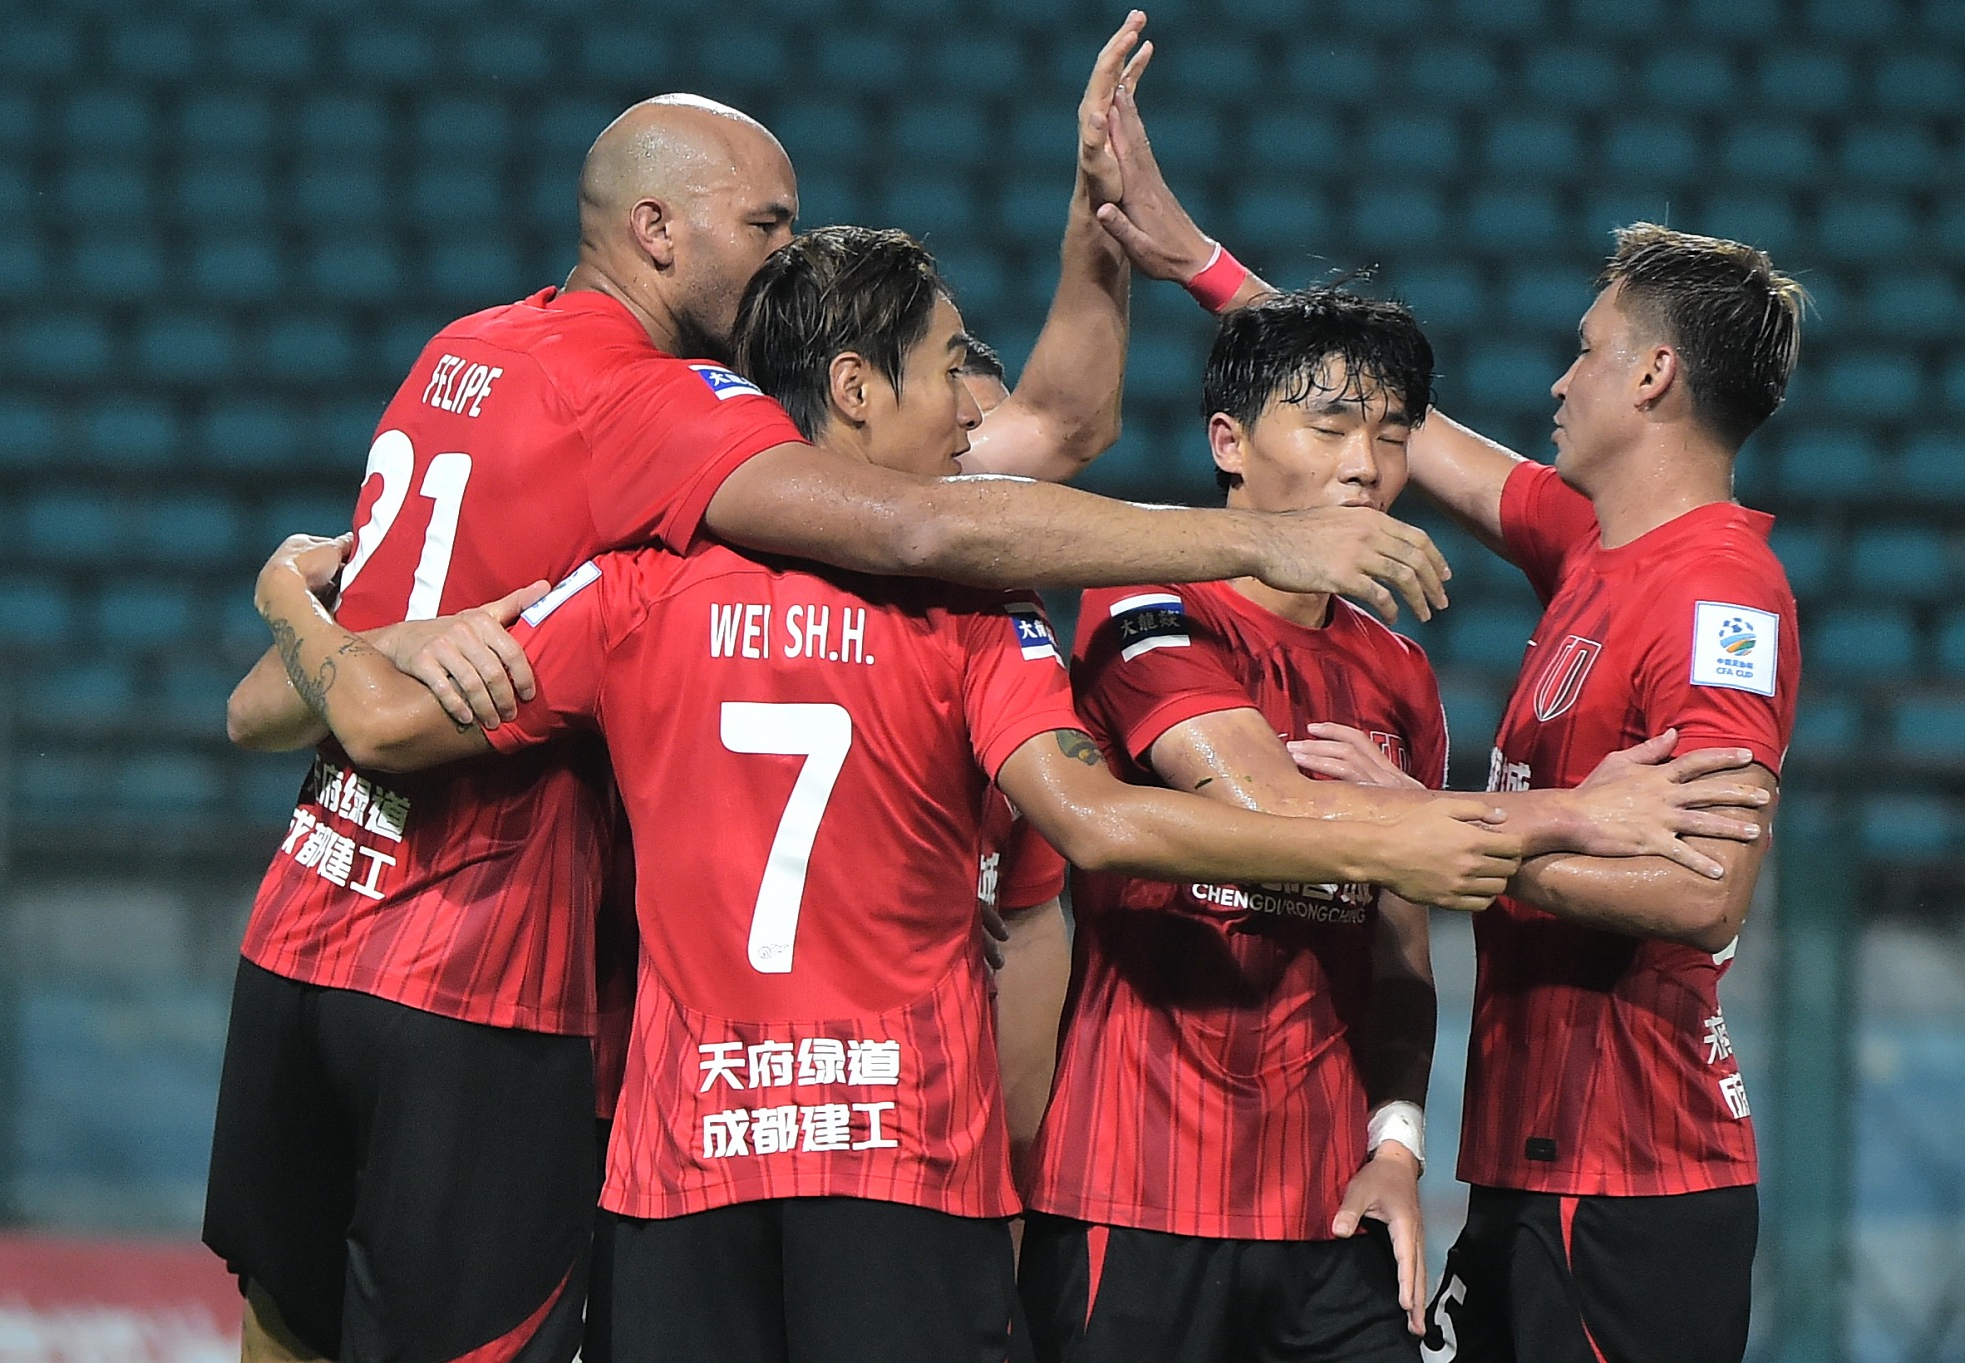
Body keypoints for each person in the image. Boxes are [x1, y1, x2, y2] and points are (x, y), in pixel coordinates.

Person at [245, 225, 1526, 1363]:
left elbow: (367, 719)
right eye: (955, 366)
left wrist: (289, 598)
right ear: (856, 389)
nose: (976, 408)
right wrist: (1393, 842)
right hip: (903, 1161)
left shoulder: (634, 586)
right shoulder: (975, 618)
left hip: (684, 1167)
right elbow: (1098, 822)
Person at [207, 21, 1263, 1362]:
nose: (786, 251)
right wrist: (1250, 540)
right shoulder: (665, 409)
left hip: (300, 925)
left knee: (284, 1320)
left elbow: (283, 702)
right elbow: (936, 523)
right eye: (768, 221)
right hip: (479, 978)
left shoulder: (460, 352)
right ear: (656, 229)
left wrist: (283, 599)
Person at [1015, 287, 1776, 1363]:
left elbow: (1399, 944)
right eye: (1327, 427)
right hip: (1133, 1193)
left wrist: (1396, 1145)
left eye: (1387, 434)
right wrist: (1564, 813)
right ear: (1226, 443)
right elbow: (1263, 803)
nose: (1363, 465)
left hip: (1333, 1214)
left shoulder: (1397, 670)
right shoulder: (1146, 598)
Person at [1398, 226, 1804, 1363]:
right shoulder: (1594, 544)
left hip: (1629, 1180)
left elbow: (1706, 893)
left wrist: (1454, 846)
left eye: (1584, 350)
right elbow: (1395, 420)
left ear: (1652, 374)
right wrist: (1201, 264)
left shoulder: (1722, 598)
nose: (1556, 379)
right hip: (1533, 1160)